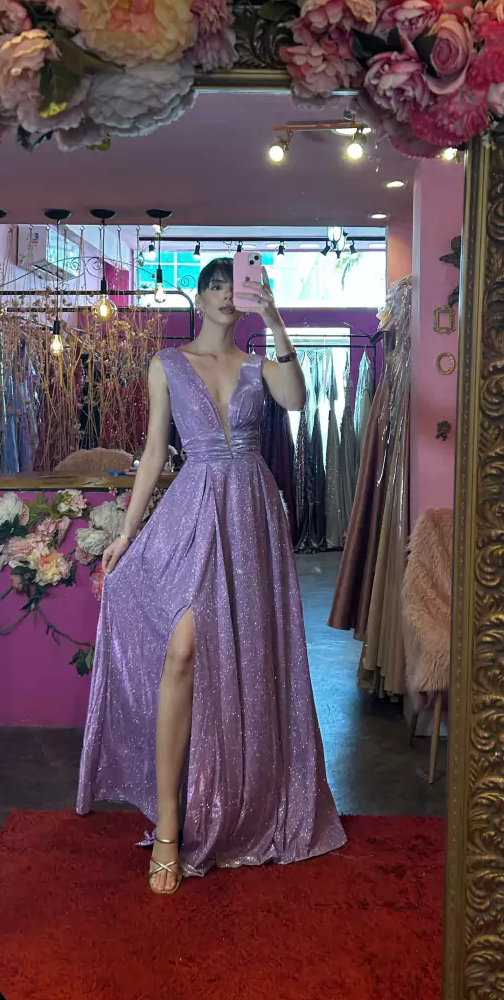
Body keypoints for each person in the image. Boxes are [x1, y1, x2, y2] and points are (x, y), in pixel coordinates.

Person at [77, 257, 346, 893]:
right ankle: (170, 826)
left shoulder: (259, 365)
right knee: (182, 653)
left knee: (245, 656)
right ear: (199, 298)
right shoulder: (168, 364)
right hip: (193, 511)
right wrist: (126, 533)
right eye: (217, 286)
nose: (227, 295)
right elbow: (153, 451)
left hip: (251, 513)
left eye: (238, 287)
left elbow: (297, 400)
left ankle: (239, 798)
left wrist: (275, 320)